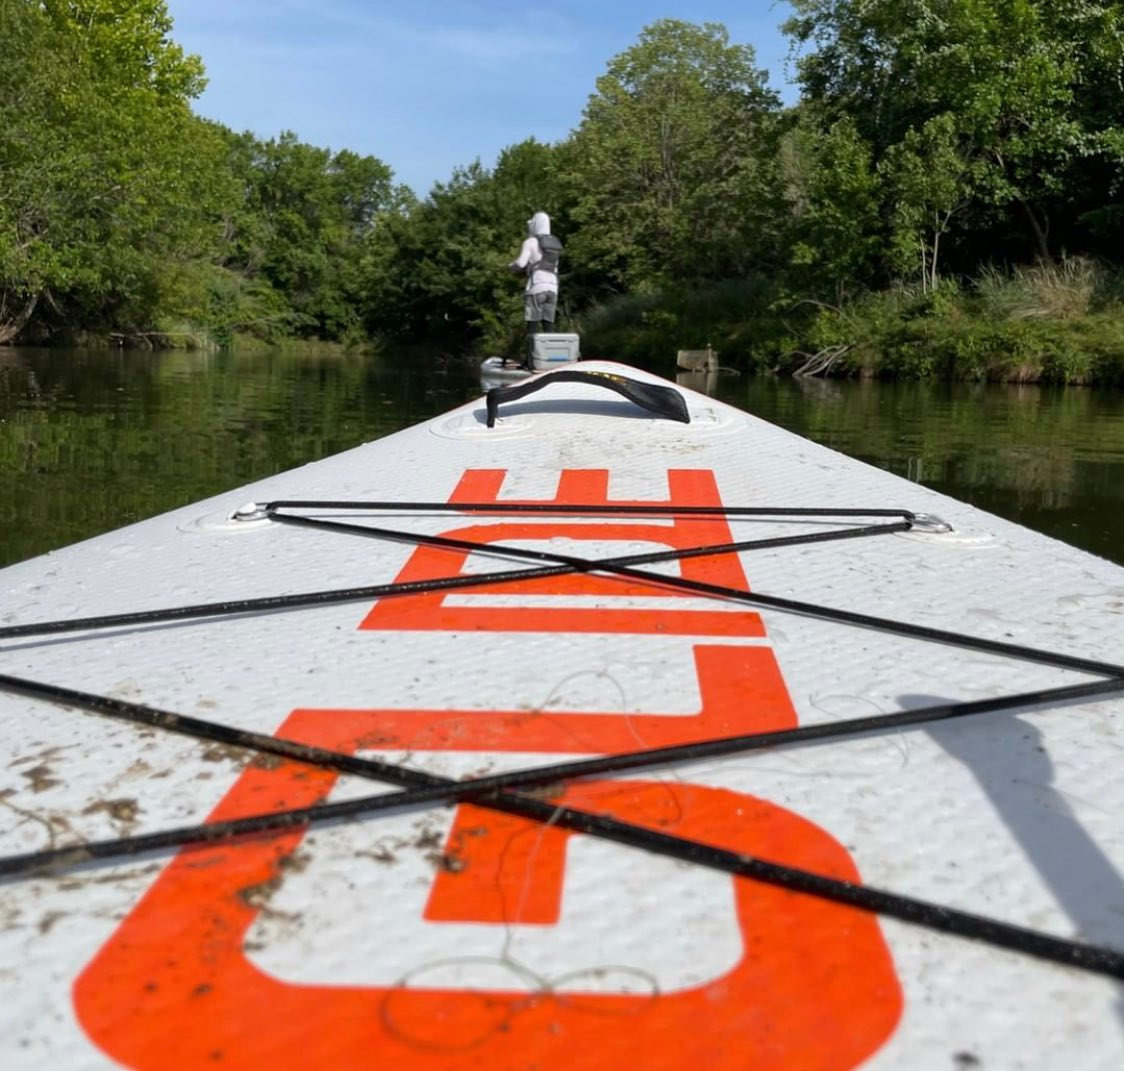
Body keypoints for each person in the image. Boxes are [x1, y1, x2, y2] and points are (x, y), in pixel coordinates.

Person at [508, 211, 563, 368]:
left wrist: (510, 267)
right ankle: (549, 362)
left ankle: (531, 362)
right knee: (548, 326)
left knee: (532, 325)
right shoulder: (555, 244)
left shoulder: (531, 242)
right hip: (553, 288)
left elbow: (521, 263)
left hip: (536, 287)